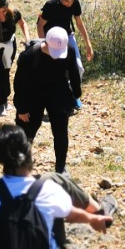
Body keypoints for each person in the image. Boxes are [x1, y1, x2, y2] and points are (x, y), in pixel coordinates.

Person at [13, 26, 81, 174]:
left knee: (60, 131)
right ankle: (20, 167)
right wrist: (21, 108)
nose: (56, 56)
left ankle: (61, 167)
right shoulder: (29, 55)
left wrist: (75, 95)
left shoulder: (68, 49)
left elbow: (74, 73)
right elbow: (19, 83)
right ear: (46, 43)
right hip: (33, 94)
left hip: (58, 92)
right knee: (27, 131)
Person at [36, 0, 94, 111]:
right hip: (51, 38)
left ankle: (74, 95)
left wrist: (88, 44)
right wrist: (44, 44)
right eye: (66, 1)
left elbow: (79, 23)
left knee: (78, 68)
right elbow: (40, 25)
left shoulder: (75, 3)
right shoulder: (51, 5)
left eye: (71, 1)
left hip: (67, 36)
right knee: (53, 70)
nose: (69, 4)